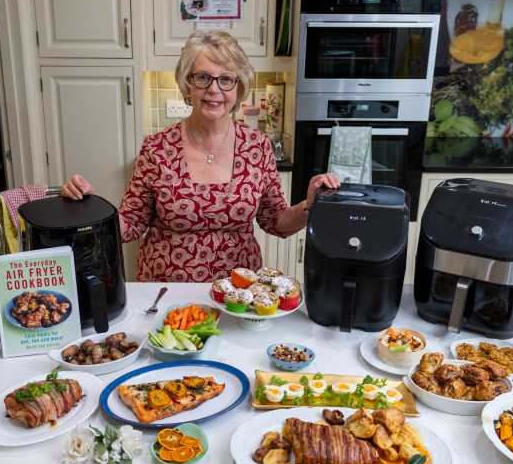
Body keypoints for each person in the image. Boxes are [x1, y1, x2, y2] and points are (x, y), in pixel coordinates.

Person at [62, 30, 339, 282]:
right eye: (203, 77)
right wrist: (90, 208)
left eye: (226, 79)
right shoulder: (157, 148)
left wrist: (310, 206)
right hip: (165, 292)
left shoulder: (257, 146)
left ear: (239, 87)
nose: (214, 89)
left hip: (237, 294)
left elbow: (276, 221)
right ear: (188, 84)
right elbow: (131, 224)